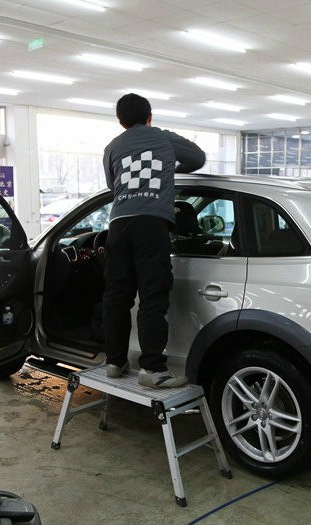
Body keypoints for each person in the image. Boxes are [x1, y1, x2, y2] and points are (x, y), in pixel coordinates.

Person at [102, 93, 206, 387]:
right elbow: (197, 158)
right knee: (152, 297)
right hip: (151, 224)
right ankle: (152, 369)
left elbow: (113, 185)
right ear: (150, 117)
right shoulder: (163, 138)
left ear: (121, 122)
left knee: (116, 296)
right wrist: (170, 167)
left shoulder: (112, 147)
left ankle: (114, 362)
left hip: (118, 225)